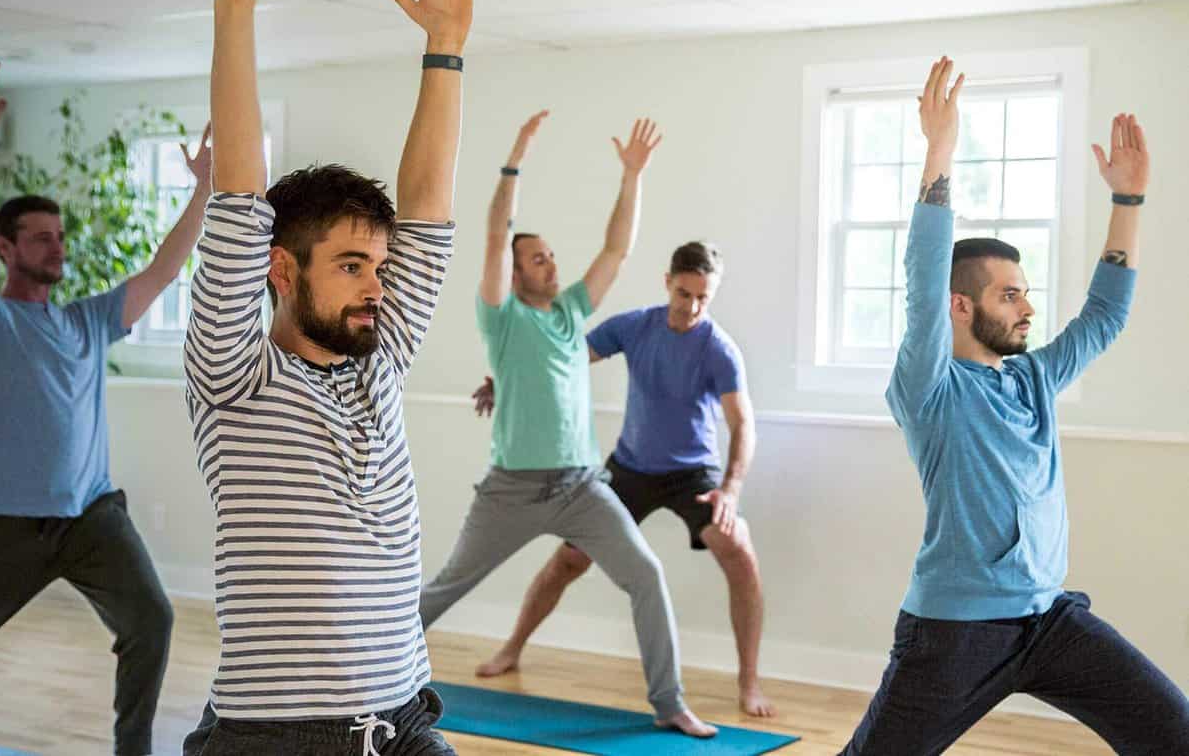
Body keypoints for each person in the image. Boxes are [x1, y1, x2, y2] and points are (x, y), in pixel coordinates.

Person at [179, 0, 477, 756]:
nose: (375, 284)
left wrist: (446, 50)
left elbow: (427, 211)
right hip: (277, 737)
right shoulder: (236, 378)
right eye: (350, 265)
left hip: (403, 724)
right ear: (280, 269)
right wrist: (234, 9)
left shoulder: (378, 359)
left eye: (377, 266)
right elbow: (237, 192)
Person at [841, 57, 1189, 754]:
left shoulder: (1031, 379)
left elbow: (1103, 317)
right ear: (961, 306)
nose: (1028, 307)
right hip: (955, 632)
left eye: (1026, 292)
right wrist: (939, 153)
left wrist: (1130, 202)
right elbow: (922, 277)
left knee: (1174, 733)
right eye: (1010, 294)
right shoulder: (930, 387)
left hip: (1050, 623)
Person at [0, 65, 211, 756]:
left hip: (90, 514)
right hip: (2, 520)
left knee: (150, 617)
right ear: (8, 248)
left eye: (59, 236)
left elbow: (162, 270)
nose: (57, 246)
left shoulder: (88, 321)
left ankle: (133, 751)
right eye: (40, 237)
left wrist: (205, 190)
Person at [418, 110, 718, 738]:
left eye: (551, 255)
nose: (550, 264)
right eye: (536, 259)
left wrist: (632, 176)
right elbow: (495, 230)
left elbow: (616, 248)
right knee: (446, 588)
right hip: (513, 491)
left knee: (646, 576)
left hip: (583, 487)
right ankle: (356, 670)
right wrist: (515, 160)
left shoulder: (571, 313)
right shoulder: (502, 318)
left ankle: (669, 702)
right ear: (515, 270)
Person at [470, 239, 776, 717]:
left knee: (738, 551)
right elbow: (559, 358)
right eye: (684, 294)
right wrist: (502, 383)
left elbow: (743, 425)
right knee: (568, 561)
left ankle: (750, 682)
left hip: (691, 472)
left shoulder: (719, 350)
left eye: (703, 298)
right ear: (667, 283)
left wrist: (731, 491)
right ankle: (511, 647)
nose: (692, 307)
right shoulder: (636, 327)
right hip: (630, 466)